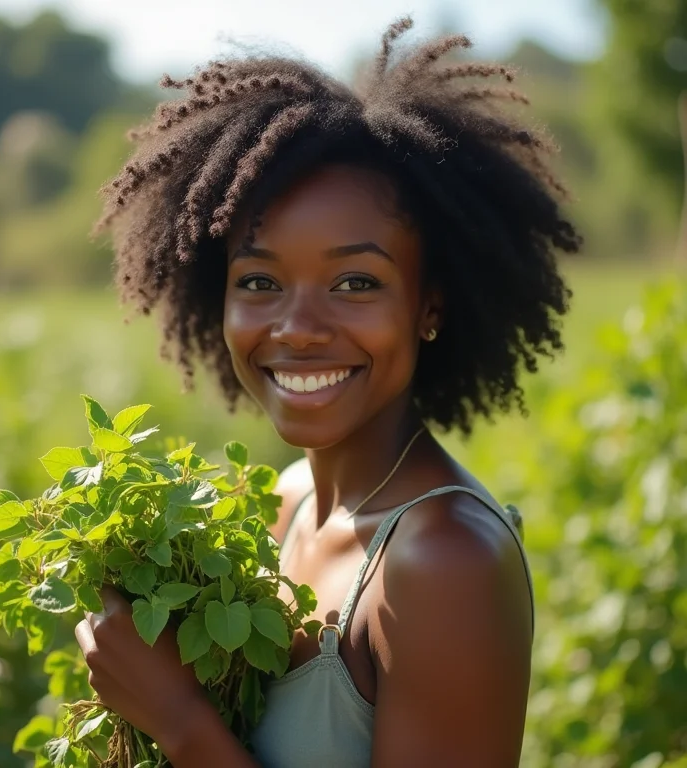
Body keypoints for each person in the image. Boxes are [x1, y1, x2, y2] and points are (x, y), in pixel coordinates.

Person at [74, 16, 581, 767]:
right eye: (260, 282)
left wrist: (178, 720)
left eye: (355, 282)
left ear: (430, 305)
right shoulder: (280, 510)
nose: (298, 327)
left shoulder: (444, 562)